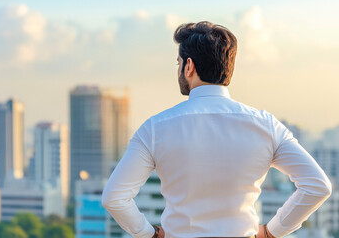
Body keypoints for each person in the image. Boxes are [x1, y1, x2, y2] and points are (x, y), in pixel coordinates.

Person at [101, 21, 332, 238]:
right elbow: (317, 186)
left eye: (179, 63)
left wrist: (148, 233)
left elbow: (115, 197)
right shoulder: (266, 125)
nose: (179, 69)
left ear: (189, 66)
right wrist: (272, 231)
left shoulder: (154, 128)